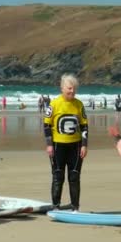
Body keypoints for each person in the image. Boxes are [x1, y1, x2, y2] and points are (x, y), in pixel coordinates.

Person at [43, 74, 88, 211]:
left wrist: (84, 145)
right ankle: (55, 205)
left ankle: (75, 207)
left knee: (74, 176)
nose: (72, 91)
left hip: (76, 146)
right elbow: (46, 125)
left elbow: (84, 126)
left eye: (74, 88)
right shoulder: (54, 104)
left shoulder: (79, 104)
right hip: (58, 146)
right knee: (58, 176)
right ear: (62, 88)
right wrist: (49, 144)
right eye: (69, 88)